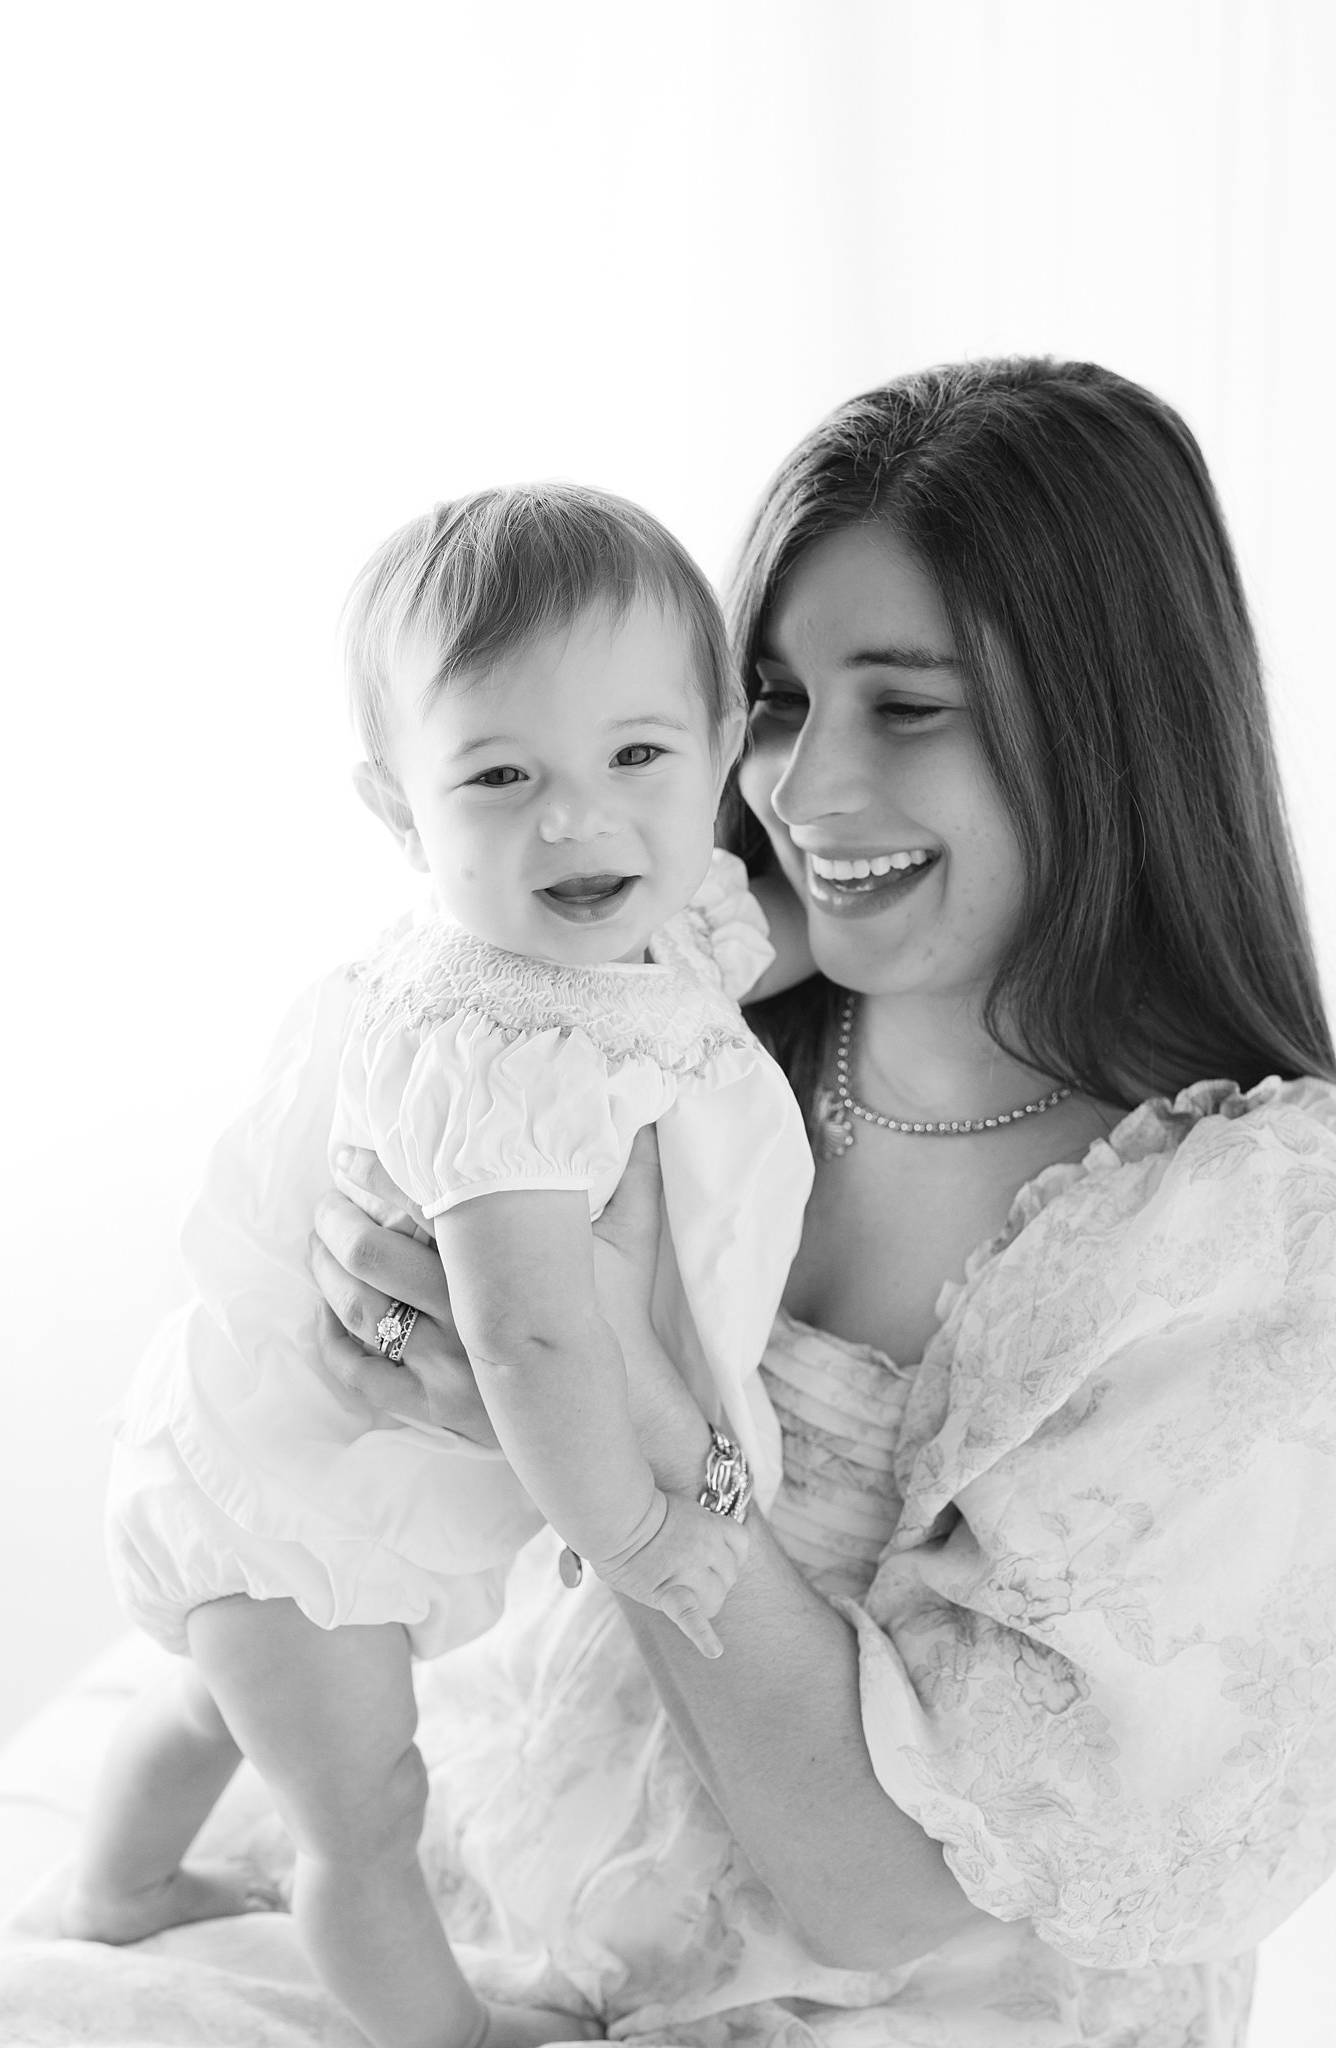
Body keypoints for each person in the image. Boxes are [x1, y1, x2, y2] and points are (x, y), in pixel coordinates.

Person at [299, 360, 1336, 2046]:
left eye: (903, 706)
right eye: (772, 700)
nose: (801, 787)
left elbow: (885, 1892)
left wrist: (613, 1422)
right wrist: (389, 1332)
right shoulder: (694, 1031)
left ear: (1110, 722)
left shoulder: (1241, 1245)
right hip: (548, 1906)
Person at [60, 485, 817, 2048]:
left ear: (724, 746)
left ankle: (120, 1887)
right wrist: (632, 1533)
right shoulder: (498, 1048)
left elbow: (750, 961)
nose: (577, 819)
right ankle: (441, 2035)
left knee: (218, 1685)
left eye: (634, 758)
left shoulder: (651, 928)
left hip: (258, 1442)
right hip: (304, 1478)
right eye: (497, 775)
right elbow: (531, 1340)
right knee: (357, 1795)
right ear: (399, 810)